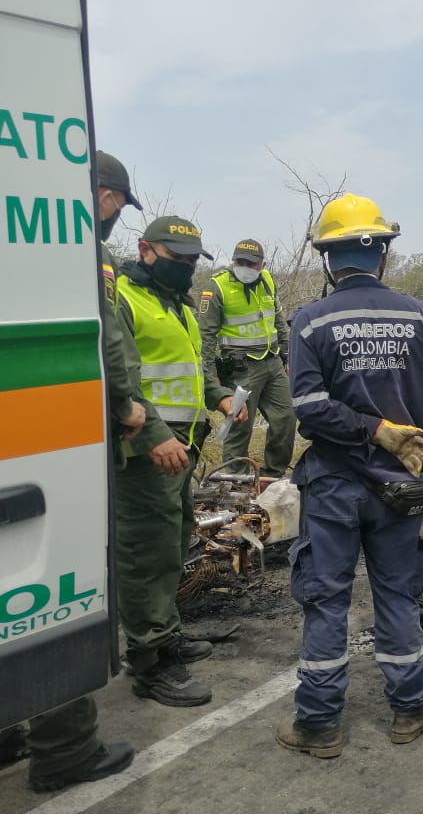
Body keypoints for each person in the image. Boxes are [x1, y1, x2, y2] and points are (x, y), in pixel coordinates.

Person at [278, 193, 423, 758]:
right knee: (398, 597)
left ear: (327, 259)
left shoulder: (310, 322)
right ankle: (411, 710)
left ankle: (318, 726)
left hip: (335, 486)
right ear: (382, 254)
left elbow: (308, 407)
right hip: (404, 487)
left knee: (327, 600)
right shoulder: (419, 316)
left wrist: (367, 429)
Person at [13, 152, 144, 792]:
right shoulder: (78, 249)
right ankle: (64, 748)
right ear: (100, 195)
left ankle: (12, 725)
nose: (114, 216)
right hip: (60, 433)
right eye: (117, 202)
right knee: (60, 580)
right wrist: (126, 406)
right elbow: (106, 339)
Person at [115, 216, 247, 707]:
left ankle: (164, 635)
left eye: (193, 261)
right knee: (146, 554)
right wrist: (152, 433)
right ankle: (150, 662)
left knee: (172, 546)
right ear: (146, 250)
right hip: (145, 450)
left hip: (182, 448)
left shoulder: (179, 305)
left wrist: (219, 397)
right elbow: (117, 380)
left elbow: (192, 371)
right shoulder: (123, 299)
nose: (188, 269)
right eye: (178, 259)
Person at [198, 238, 296, 476]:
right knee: (240, 425)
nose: (245, 267)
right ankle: (234, 479)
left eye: (251, 263)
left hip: (272, 361)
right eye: (240, 261)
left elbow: (278, 322)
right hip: (241, 367)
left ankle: (273, 474)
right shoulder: (217, 287)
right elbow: (206, 337)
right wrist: (210, 377)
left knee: (286, 417)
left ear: (261, 264)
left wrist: (288, 355)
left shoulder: (268, 281)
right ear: (233, 261)